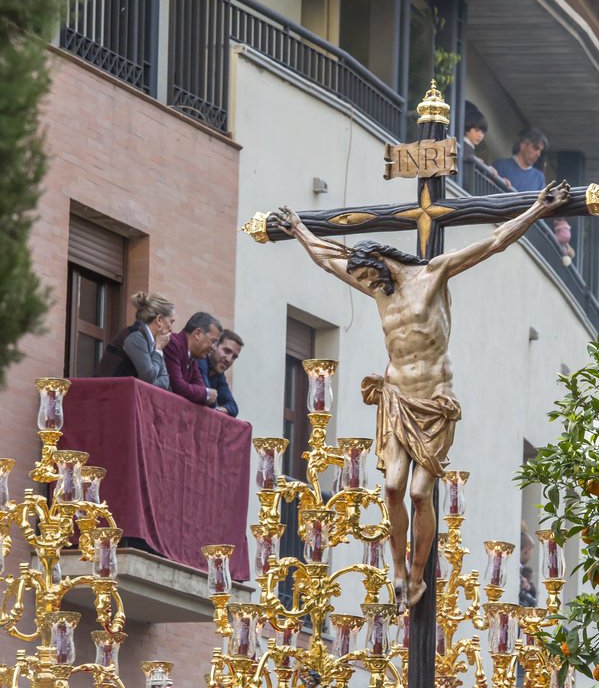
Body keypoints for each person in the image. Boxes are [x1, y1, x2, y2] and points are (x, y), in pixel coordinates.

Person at [271, 178, 571, 610]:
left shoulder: (432, 275)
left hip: (433, 401)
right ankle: (396, 571)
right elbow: (327, 259)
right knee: (393, 487)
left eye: (369, 276)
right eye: (362, 280)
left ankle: (416, 574)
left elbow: (493, 243)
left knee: (418, 493)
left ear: (381, 263)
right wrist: (299, 229)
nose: (367, 285)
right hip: (396, 398)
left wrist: (538, 209)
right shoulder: (377, 289)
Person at [94, 291, 175, 387]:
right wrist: (158, 350)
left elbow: (165, 382)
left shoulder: (153, 341)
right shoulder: (136, 337)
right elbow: (149, 378)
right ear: (159, 320)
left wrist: (158, 350)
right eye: (171, 322)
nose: (171, 328)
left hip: (119, 392)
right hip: (105, 392)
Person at [163, 312, 222, 406]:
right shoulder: (173, 343)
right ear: (197, 334)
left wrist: (203, 394)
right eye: (213, 341)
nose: (214, 348)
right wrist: (206, 394)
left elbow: (200, 387)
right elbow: (178, 386)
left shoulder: (193, 357)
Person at [197, 329, 243, 417]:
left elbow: (233, 407)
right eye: (226, 351)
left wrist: (220, 409)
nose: (229, 359)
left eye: (234, 357)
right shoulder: (201, 360)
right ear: (214, 346)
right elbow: (208, 398)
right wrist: (217, 408)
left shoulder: (219, 375)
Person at [493, 127, 549, 193]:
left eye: (540, 151)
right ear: (523, 145)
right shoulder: (500, 166)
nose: (538, 154)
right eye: (535, 148)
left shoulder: (539, 178)